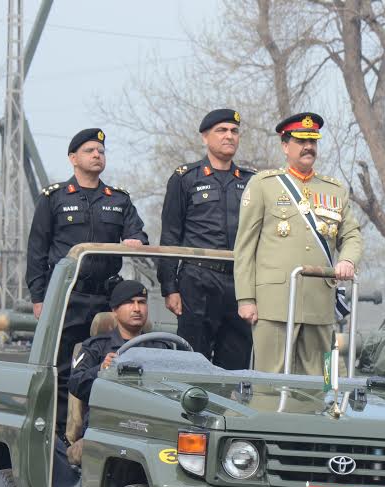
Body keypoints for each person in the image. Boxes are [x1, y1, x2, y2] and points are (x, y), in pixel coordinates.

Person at [25, 127, 148, 433]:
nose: (97, 155)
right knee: (62, 367)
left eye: (101, 151)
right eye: (90, 151)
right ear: (73, 158)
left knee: (108, 363)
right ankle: (58, 436)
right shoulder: (54, 198)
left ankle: (99, 431)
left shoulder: (118, 199)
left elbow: (138, 233)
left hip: (106, 298)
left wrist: (135, 239)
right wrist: (39, 298)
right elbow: (37, 250)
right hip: (66, 295)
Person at [234, 112, 361, 375]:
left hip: (320, 306)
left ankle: (321, 414)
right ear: (285, 145)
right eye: (301, 141)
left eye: (313, 141)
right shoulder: (264, 185)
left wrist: (347, 260)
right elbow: (245, 247)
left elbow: (352, 235)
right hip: (273, 304)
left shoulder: (334, 190)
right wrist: (246, 298)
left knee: (322, 379)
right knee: (269, 382)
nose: (308, 147)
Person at [158, 109, 255, 368]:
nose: (229, 136)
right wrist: (170, 287)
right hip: (197, 280)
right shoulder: (185, 178)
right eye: (221, 131)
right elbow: (170, 234)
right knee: (192, 360)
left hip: (239, 281)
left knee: (236, 362)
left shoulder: (251, 181)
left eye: (234, 131)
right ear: (205, 137)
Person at [69, 280, 161, 430]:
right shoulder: (96, 347)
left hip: (150, 425)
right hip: (106, 425)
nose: (137, 309)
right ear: (114, 310)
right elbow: (75, 385)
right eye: (130, 302)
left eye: (142, 302)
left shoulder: (160, 347)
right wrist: (101, 369)